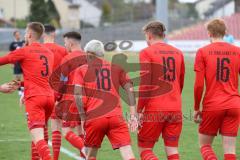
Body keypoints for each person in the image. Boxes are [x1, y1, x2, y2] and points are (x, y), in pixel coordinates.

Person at [73, 40, 138, 160]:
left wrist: (82, 117)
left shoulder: (82, 69)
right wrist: (133, 114)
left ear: (88, 54)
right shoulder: (116, 68)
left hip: (95, 118)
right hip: (116, 117)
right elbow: (130, 89)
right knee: (128, 153)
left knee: (91, 154)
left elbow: (77, 95)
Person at [0, 22, 54, 160]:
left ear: (29, 34)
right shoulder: (48, 52)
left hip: (35, 98)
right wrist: (19, 84)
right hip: (49, 98)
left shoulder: (24, 50)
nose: (24, 35)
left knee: (39, 139)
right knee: (39, 135)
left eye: (25, 32)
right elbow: (41, 78)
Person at [137, 21, 185, 160]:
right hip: (175, 108)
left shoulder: (146, 52)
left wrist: (139, 110)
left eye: (145, 36)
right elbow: (180, 82)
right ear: (163, 35)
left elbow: (145, 84)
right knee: (172, 151)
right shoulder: (178, 53)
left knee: (144, 149)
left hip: (155, 108)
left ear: (149, 35)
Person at [194, 19, 240, 160]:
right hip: (234, 104)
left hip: (213, 104)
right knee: (230, 150)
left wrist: (196, 107)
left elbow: (199, 85)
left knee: (205, 145)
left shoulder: (203, 52)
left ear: (209, 33)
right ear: (225, 32)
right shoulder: (237, 51)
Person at [56, 31, 86, 157]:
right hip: (89, 99)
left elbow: (62, 81)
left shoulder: (67, 58)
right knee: (81, 130)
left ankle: (86, 149)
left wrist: (57, 98)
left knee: (66, 131)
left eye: (65, 42)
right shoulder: (89, 57)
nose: (65, 45)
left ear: (70, 42)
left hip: (72, 98)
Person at [43, 24, 67, 160]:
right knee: (56, 125)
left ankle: (43, 156)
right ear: (54, 33)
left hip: (40, 91)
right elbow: (66, 74)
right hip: (58, 92)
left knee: (40, 127)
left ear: (42, 34)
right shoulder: (63, 50)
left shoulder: (37, 50)